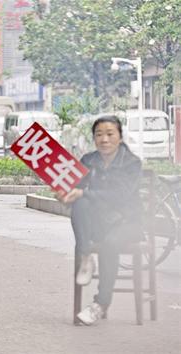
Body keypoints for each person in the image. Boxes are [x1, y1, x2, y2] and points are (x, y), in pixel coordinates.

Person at [57, 115, 143, 326]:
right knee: (79, 204)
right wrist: (65, 194)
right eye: (99, 134)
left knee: (110, 244)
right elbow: (75, 189)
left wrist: (84, 193)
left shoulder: (132, 163)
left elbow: (119, 195)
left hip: (127, 222)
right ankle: (86, 254)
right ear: (94, 138)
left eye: (110, 134)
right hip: (99, 223)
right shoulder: (88, 160)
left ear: (120, 137)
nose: (104, 139)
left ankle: (100, 304)